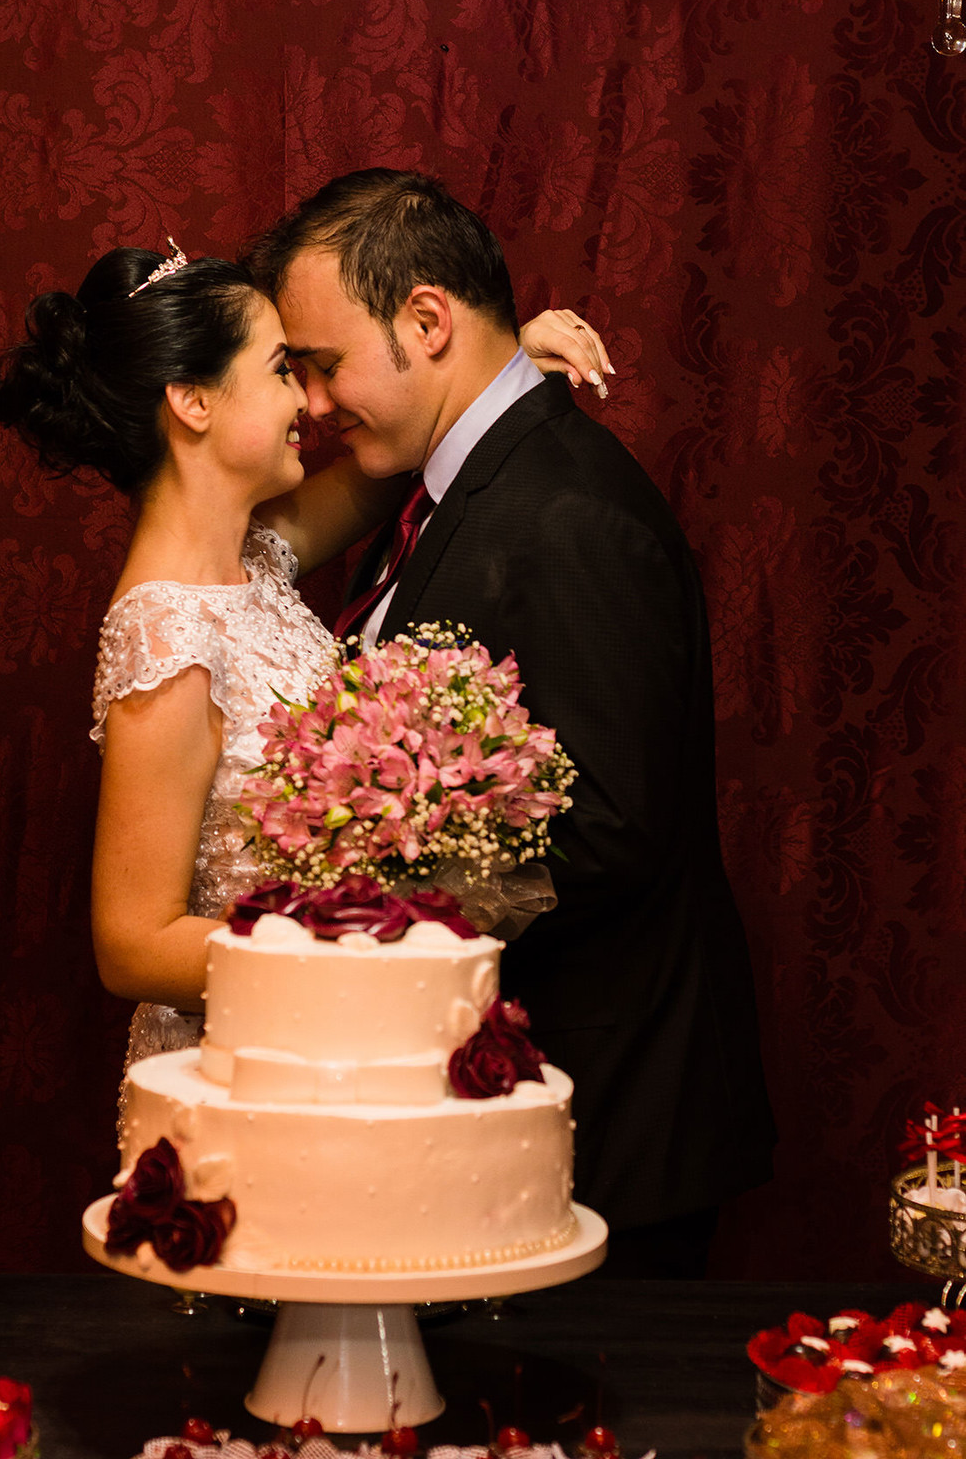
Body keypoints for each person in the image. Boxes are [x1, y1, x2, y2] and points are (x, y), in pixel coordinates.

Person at [244, 168, 777, 1279]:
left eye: (324, 362)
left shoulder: (566, 513)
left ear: (426, 320)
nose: (312, 401)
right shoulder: (464, 482)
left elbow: (611, 830)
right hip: (519, 1099)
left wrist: (373, 904)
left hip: (606, 1117)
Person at [0, 239, 610, 1119]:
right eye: (281, 370)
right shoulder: (166, 634)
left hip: (338, 1044)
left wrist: (496, 365)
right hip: (249, 1069)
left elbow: (376, 472)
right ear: (192, 402)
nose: (309, 405)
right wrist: (358, 945)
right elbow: (130, 943)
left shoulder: (255, 559)